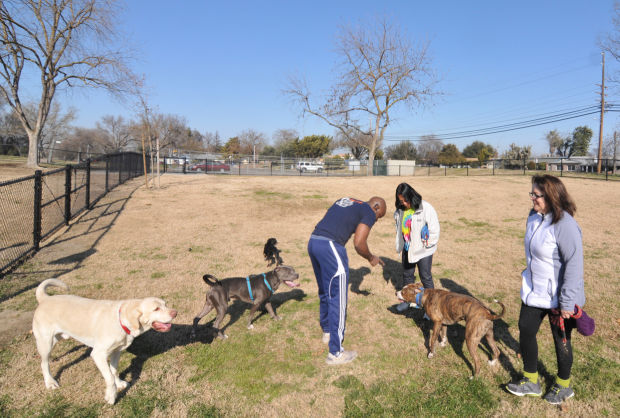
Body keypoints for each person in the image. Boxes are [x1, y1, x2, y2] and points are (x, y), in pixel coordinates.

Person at [506, 175, 585, 405]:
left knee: (561, 340)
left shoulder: (565, 224)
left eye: (536, 195)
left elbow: (574, 264)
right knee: (526, 329)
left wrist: (568, 302)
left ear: (551, 196)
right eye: (531, 194)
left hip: (559, 297)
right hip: (534, 290)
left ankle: (563, 385)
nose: (532, 199)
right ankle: (531, 380)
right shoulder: (533, 216)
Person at [308, 196, 386, 365]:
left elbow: (330, 218)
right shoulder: (368, 211)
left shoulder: (346, 200)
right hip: (331, 247)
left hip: (314, 242)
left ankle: (327, 331)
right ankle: (335, 353)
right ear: (377, 207)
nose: (375, 221)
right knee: (338, 299)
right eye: (379, 217)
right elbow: (359, 243)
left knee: (324, 290)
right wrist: (370, 257)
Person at [393, 183, 440, 312]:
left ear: (411, 196)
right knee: (407, 274)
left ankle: (432, 305)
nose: (404, 203)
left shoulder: (426, 208)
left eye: (405, 200)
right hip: (408, 248)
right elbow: (399, 228)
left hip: (423, 250)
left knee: (425, 276)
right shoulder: (400, 210)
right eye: (401, 201)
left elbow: (434, 229)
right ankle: (406, 300)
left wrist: (428, 244)